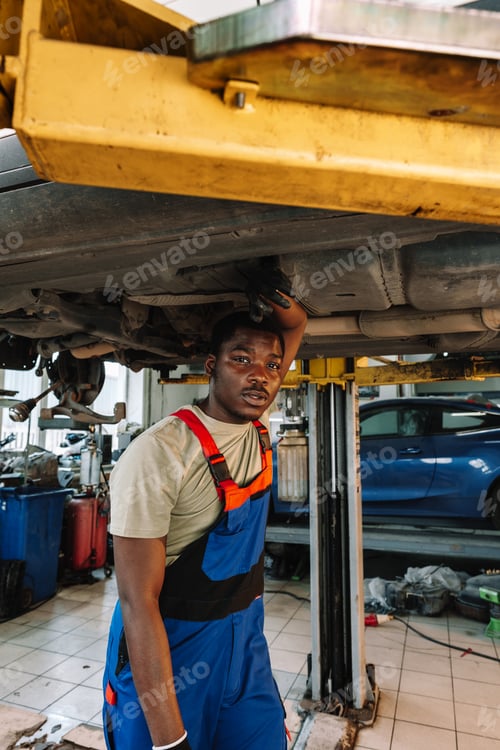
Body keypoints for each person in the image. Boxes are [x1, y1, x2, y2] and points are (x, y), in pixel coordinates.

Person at [102, 274, 307, 750]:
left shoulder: (256, 421)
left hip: (245, 644)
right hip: (169, 651)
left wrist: (291, 313)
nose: (260, 376)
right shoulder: (159, 455)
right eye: (241, 360)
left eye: (272, 367)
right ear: (211, 367)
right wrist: (169, 739)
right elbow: (138, 604)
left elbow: (288, 337)